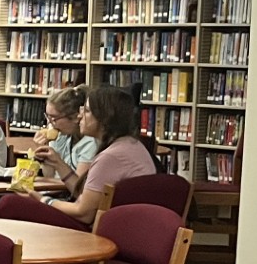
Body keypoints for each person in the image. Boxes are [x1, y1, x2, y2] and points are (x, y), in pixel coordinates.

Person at [19, 83, 156, 224]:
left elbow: (83, 214)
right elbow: (84, 194)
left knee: (11, 203)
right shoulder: (131, 144)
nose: (79, 116)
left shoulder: (110, 157)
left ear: (104, 119)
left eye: (87, 111)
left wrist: (42, 200)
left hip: (105, 228)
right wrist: (58, 163)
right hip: (130, 223)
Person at [31, 85, 97, 197]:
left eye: (54, 118)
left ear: (77, 117)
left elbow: (77, 190)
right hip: (55, 193)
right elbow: (49, 176)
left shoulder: (91, 143)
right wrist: (44, 153)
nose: (50, 123)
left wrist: (57, 162)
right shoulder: (61, 136)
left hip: (70, 199)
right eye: (48, 117)